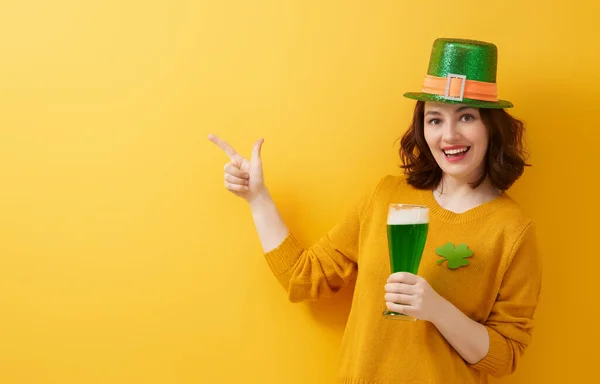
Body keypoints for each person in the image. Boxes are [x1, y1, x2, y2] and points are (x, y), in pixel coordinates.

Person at [208, 38, 542, 384]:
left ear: (491, 126)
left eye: (467, 116)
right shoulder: (385, 196)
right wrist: (257, 198)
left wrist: (436, 309)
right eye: (434, 120)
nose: (449, 135)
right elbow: (304, 279)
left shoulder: (512, 229)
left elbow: (504, 357)